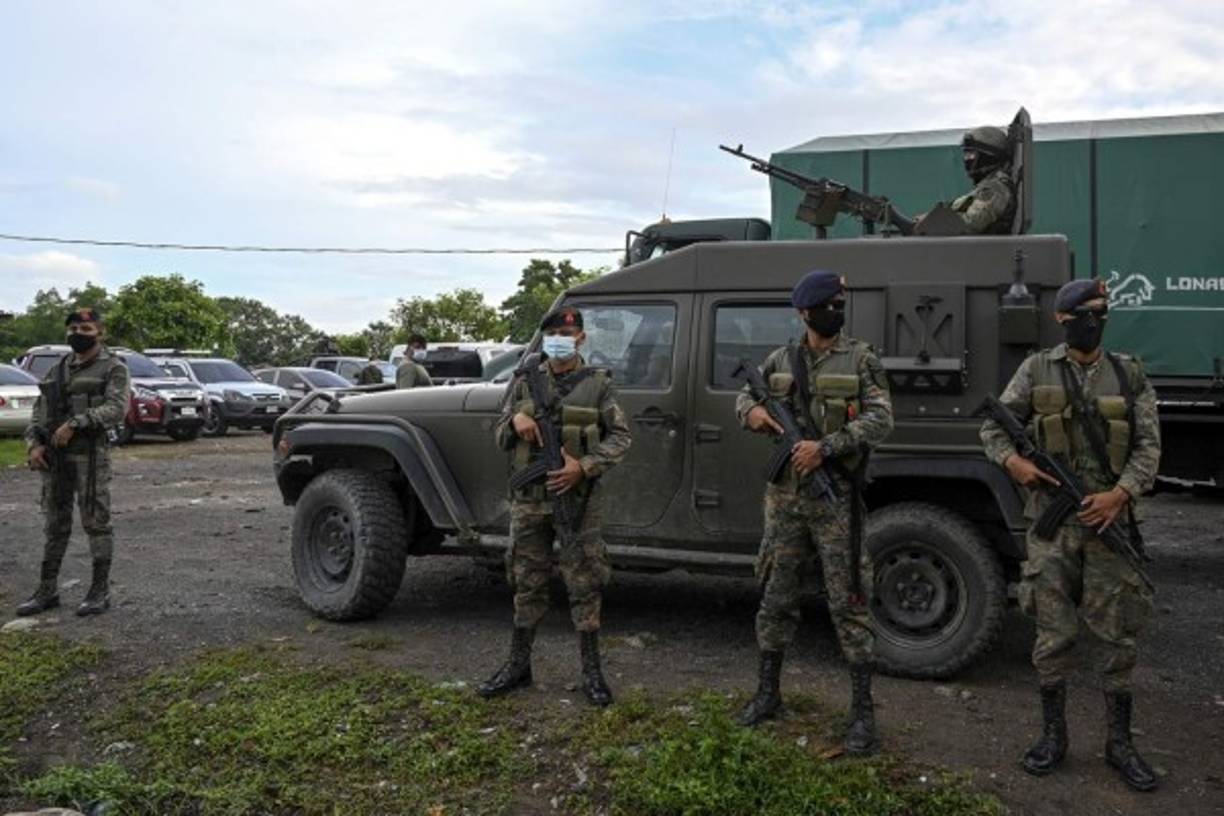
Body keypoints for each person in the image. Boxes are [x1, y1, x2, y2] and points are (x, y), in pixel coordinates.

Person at [979, 278, 1161, 792]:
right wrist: (1014, 463)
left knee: (1117, 637)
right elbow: (993, 428)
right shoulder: (1036, 369)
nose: (1094, 321)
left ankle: (1119, 744)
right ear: (1062, 319)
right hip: (1053, 526)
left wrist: (1120, 494)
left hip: (1109, 523)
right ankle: (1053, 736)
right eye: (1084, 314)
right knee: (1053, 634)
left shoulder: (1128, 373)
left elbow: (1149, 446)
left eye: (1101, 312)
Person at [734, 270, 894, 754]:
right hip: (785, 500)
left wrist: (826, 447)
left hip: (836, 498)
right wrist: (752, 413)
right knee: (776, 594)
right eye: (827, 306)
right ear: (804, 312)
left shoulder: (861, 358)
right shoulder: (780, 360)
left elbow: (882, 418)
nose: (836, 312)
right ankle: (768, 693)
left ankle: (862, 713)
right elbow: (746, 397)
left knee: (849, 601)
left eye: (840, 305)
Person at [478, 307, 632, 706]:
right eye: (554, 335)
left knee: (584, 581)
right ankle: (518, 665)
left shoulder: (597, 384)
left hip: (578, 501)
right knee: (527, 580)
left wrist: (584, 466)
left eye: (568, 333)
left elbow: (620, 437)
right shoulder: (524, 381)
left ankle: (592, 672)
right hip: (530, 500)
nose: (560, 340)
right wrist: (515, 421)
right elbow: (498, 433)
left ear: (581, 338)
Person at [18, 307, 131, 617]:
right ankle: (47, 590)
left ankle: (99, 591)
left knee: (96, 523)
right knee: (55, 524)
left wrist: (76, 423)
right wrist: (34, 444)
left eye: (85, 330)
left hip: (90, 457)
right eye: (73, 330)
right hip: (55, 459)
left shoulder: (113, 368)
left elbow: (117, 408)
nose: (77, 335)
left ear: (100, 333)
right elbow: (39, 411)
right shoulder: (58, 369)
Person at [947, 125, 1016, 235]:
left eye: (971, 154)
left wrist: (938, 223)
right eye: (966, 154)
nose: (966, 160)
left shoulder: (996, 188)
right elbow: (959, 209)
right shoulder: (983, 188)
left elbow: (967, 223)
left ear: (988, 157)